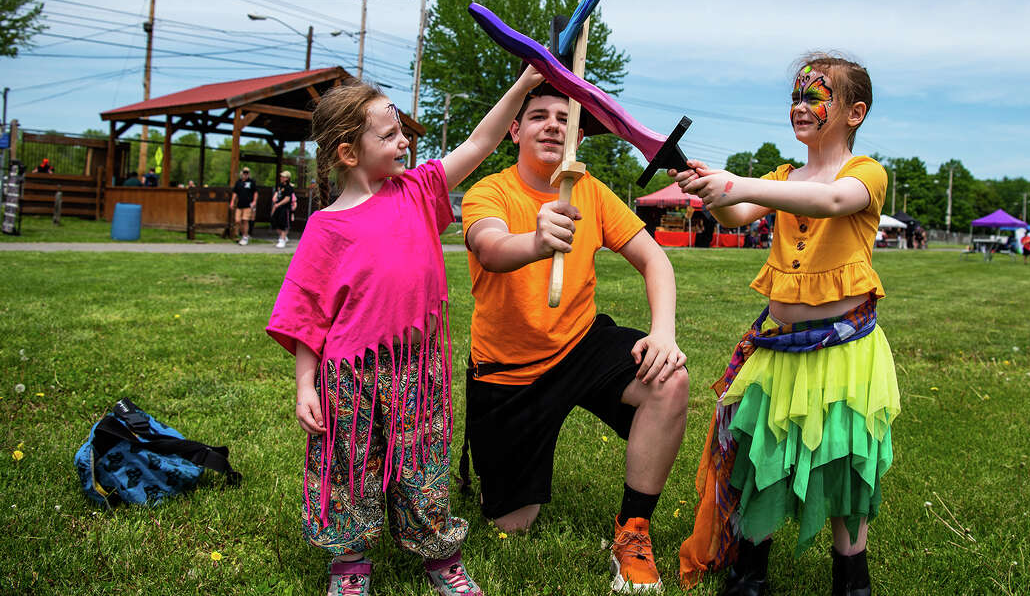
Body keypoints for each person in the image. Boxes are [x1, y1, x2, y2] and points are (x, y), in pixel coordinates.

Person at [265, 69, 542, 596]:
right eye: (390, 135)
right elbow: (306, 314)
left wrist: (523, 87)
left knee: (424, 463)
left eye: (402, 131)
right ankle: (349, 566)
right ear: (348, 153)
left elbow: (481, 142)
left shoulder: (417, 190)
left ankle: (442, 560)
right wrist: (306, 384)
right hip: (349, 377)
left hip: (420, 368)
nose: (405, 141)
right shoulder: (326, 226)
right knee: (349, 470)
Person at [674, 53, 900, 596]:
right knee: (762, 459)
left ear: (854, 112)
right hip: (778, 351)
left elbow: (829, 200)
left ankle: (852, 582)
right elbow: (735, 213)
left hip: (846, 356)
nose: (801, 106)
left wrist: (741, 183)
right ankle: (749, 576)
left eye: (815, 96)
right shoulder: (781, 176)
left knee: (843, 464)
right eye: (796, 97)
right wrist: (711, 188)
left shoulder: (865, 174)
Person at [460, 82, 689, 594]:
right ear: (515, 130)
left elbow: (655, 260)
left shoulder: (592, 192)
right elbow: (491, 247)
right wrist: (538, 241)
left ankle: (633, 531)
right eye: (539, 115)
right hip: (508, 372)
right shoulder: (488, 192)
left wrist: (664, 331)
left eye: (564, 119)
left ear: (578, 139)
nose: (553, 125)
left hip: (579, 344)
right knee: (511, 526)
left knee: (668, 379)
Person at [230, 167, 257, 245]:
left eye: (247, 173)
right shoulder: (238, 182)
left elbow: (255, 192)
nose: (245, 174)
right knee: (237, 220)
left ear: (249, 174)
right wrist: (232, 201)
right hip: (239, 205)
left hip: (248, 205)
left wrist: (254, 201)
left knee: (245, 220)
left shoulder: (252, 182)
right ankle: (244, 234)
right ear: (242, 173)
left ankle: (245, 237)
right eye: (244, 173)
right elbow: (235, 193)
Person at [271, 171, 297, 248]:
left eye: (283, 177)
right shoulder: (279, 186)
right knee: (275, 223)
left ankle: (282, 240)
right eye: (281, 176)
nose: (281, 178)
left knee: (284, 224)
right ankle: (284, 237)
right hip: (277, 208)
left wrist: (278, 204)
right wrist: (274, 198)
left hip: (285, 209)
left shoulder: (289, 188)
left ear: (287, 178)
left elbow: (287, 199)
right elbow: (276, 194)